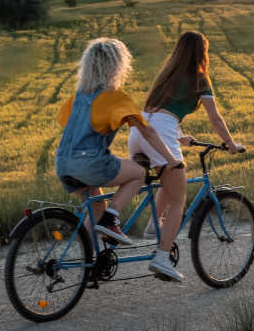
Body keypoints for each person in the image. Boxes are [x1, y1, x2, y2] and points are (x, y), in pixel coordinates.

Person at [129, 31, 244, 282]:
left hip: (139, 130)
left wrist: (179, 136)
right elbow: (215, 117)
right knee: (179, 198)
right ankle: (161, 258)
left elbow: (162, 111)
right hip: (159, 132)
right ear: (202, 52)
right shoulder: (200, 78)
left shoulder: (167, 73)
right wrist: (231, 143)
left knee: (170, 178)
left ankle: (153, 226)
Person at [55, 37, 183, 257]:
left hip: (63, 164)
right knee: (138, 174)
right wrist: (171, 160)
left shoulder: (76, 98)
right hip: (88, 164)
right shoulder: (114, 97)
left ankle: (88, 263)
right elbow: (148, 131)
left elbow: (71, 125)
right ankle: (111, 217)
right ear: (117, 66)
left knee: (95, 207)